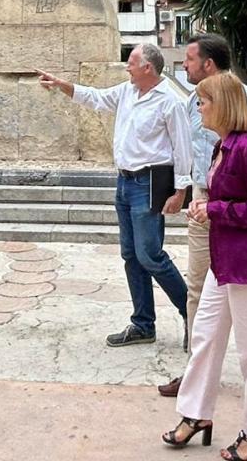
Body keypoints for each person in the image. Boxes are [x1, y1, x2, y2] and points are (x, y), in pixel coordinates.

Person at [158, 33, 247, 398]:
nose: (184, 65)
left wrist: (243, 187)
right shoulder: (193, 101)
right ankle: (196, 371)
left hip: (240, 207)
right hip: (204, 202)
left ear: (208, 63)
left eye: (189, 60)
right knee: (197, 287)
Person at [162, 71, 247, 461]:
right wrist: (207, 209)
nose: (198, 107)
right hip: (227, 261)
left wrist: (214, 209)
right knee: (205, 338)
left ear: (223, 106)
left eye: (203, 101)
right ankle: (196, 413)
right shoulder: (224, 147)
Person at [39, 43, 192, 347]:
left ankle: (193, 312)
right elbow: (95, 98)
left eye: (131, 62)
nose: (127, 67)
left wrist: (180, 192)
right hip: (124, 183)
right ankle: (143, 324)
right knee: (131, 256)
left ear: (148, 67)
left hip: (149, 184)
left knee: (151, 255)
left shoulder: (171, 102)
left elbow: (183, 148)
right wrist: (61, 86)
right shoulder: (127, 91)